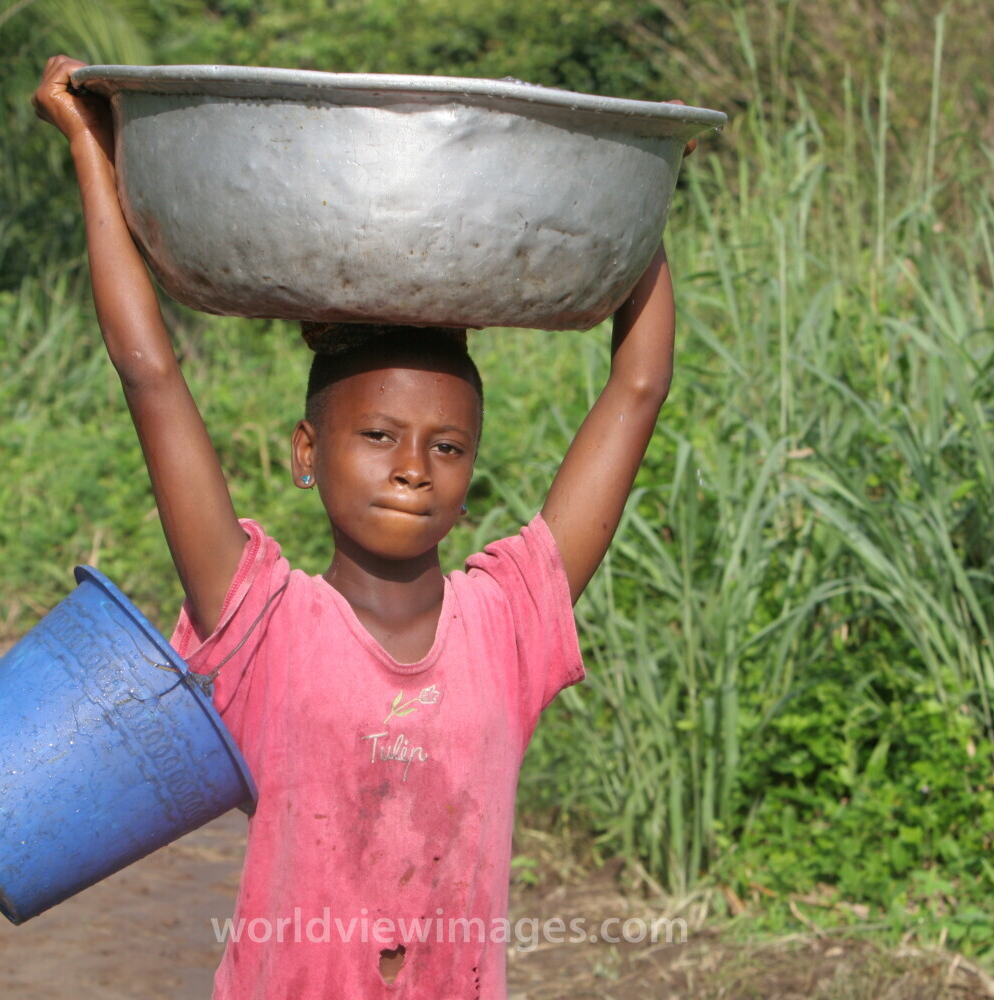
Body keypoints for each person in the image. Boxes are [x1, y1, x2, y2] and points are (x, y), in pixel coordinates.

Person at [33, 53, 679, 1000]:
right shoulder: (260, 617)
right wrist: (94, 152)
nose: (413, 466)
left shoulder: (506, 625)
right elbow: (153, 378)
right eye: (376, 435)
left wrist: (638, 193)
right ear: (307, 452)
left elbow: (637, 389)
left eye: (447, 447)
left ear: (470, 469)